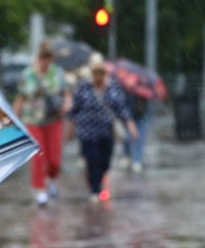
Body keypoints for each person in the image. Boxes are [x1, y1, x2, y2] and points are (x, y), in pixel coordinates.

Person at [69, 54, 138, 204]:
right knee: (92, 158)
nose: (98, 77)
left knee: (105, 161)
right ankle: (95, 189)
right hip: (86, 131)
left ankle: (98, 180)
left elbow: (121, 107)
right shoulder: (83, 86)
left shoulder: (112, 87)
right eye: (96, 73)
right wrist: (70, 128)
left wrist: (130, 124)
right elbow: (74, 108)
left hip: (106, 130)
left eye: (101, 73)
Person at [13, 41, 72, 206]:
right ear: (39, 58)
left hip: (54, 119)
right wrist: (14, 117)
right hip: (33, 119)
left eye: (48, 58)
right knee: (39, 156)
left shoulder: (58, 73)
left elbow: (66, 92)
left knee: (54, 159)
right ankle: (40, 189)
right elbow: (20, 96)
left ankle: (51, 179)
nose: (46, 61)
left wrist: (67, 104)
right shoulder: (28, 74)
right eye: (43, 58)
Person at [119, 92, 151, 173]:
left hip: (141, 112)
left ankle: (137, 160)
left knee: (140, 136)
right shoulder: (124, 84)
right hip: (127, 112)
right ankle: (127, 155)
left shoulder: (145, 82)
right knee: (127, 137)